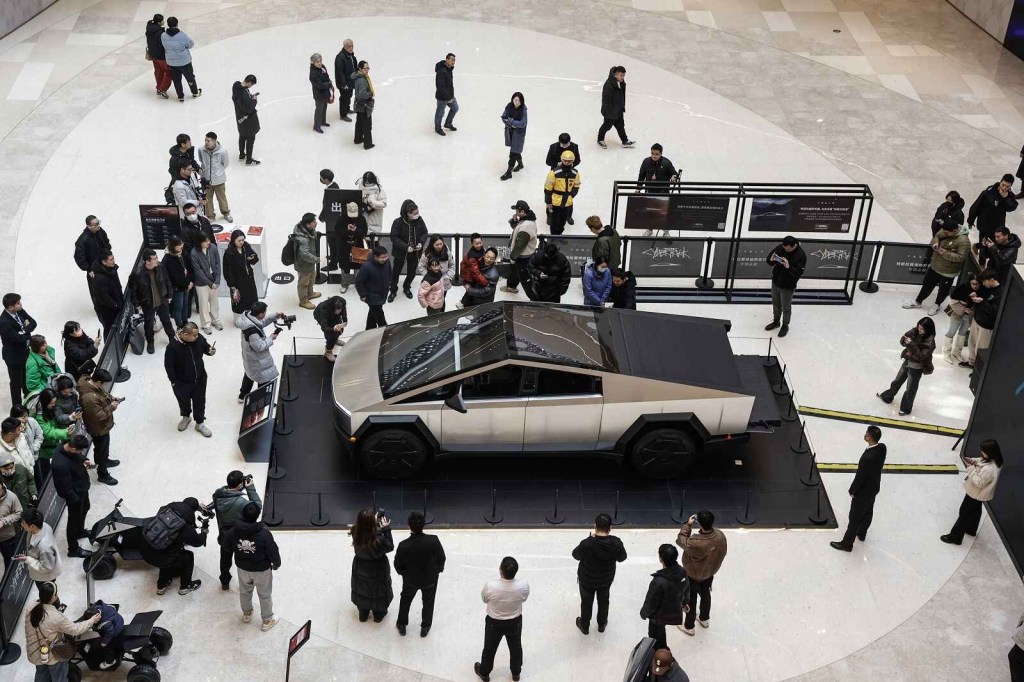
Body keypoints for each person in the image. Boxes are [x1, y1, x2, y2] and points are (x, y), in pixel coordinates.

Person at [24, 582, 101, 680]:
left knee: (42, 675)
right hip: (53, 655)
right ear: (53, 598)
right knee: (59, 677)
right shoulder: (56, 617)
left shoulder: (30, 606)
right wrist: (91, 621)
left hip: (36, 652)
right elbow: (75, 629)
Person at [224, 502, 280, 631]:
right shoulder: (264, 534)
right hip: (261, 570)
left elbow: (226, 547)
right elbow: (273, 551)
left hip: (242, 568)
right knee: (264, 595)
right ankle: (267, 620)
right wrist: (276, 564)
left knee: (244, 592)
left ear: (242, 514)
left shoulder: (233, 532)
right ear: (257, 515)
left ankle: (247, 614)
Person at [902, 210, 969, 315]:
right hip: (935, 265)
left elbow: (961, 257)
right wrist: (935, 243)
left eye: (947, 233)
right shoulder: (946, 229)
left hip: (948, 271)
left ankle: (937, 305)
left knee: (943, 289)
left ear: (955, 231)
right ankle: (918, 301)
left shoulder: (964, 241)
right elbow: (937, 236)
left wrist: (944, 253)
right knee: (927, 284)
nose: (944, 234)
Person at [830, 426, 886, 552]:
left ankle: (847, 544)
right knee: (868, 511)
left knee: (854, 517)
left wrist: (853, 490)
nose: (865, 434)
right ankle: (862, 533)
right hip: (874, 487)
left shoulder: (867, 458)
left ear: (869, 437)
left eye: (866, 433)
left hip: (863, 492)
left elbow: (860, 477)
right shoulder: (882, 448)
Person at [571, 512, 627, 635]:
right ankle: (602, 624)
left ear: (595, 526)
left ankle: (585, 626)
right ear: (610, 527)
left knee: (586, 602)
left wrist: (589, 539)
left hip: (587, 579)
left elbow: (575, 555)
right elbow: (622, 558)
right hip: (606, 580)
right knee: (604, 601)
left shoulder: (587, 543)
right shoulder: (616, 543)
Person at [474, 556, 529, 682]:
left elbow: (484, 599)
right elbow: (524, 598)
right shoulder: (523, 585)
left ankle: (484, 672)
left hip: (494, 623)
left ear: (500, 570)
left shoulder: (491, 586)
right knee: (515, 647)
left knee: (489, 648)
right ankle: (516, 673)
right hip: (515, 622)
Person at [675, 510, 727, 636]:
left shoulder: (696, 543)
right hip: (709, 573)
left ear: (699, 523)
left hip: (693, 575)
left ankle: (689, 626)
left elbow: (680, 540)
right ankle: (704, 619)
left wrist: (688, 525)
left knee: (691, 600)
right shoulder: (720, 535)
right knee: (705, 595)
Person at [394, 510, 446, 637]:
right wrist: (437, 571)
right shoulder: (433, 540)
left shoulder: (403, 545)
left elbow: (398, 565)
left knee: (405, 600)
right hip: (430, 579)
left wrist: (404, 574)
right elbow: (442, 558)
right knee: (428, 602)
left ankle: (402, 624)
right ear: (424, 524)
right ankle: (425, 627)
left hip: (410, 580)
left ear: (409, 525)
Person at [942, 440, 1003, 545]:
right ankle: (971, 529)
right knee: (975, 510)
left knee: (964, 513)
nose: (981, 453)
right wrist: (973, 461)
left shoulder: (989, 470)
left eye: (983, 451)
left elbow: (979, 483)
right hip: (980, 494)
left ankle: (955, 537)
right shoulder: (996, 461)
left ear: (990, 452)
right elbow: (983, 462)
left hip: (975, 492)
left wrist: (970, 468)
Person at [140, 497, 206, 595]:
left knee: (166, 549)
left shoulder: (164, 510)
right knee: (187, 556)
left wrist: (196, 507)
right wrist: (204, 532)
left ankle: (161, 586)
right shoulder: (184, 527)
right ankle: (185, 586)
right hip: (161, 558)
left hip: (145, 550)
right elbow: (198, 542)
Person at [212, 471, 262, 590]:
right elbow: (257, 507)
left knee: (225, 561)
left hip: (224, 536)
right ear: (240, 484)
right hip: (240, 537)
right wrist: (250, 488)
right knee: (244, 560)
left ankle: (224, 582)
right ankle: (246, 583)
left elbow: (229, 494)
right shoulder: (241, 503)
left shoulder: (217, 495)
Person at [164, 322, 215, 438]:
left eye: (197, 334)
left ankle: (200, 423)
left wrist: (210, 350)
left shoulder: (199, 338)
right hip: (182, 382)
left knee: (200, 401)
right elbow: (169, 366)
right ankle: (186, 417)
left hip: (200, 378)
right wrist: (174, 382)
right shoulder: (173, 347)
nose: (197, 336)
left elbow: (205, 347)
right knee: (183, 401)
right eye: (194, 335)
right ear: (185, 334)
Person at [876, 317, 935, 416]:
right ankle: (887, 397)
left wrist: (910, 344)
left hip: (916, 367)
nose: (919, 330)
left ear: (928, 330)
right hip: (908, 361)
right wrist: (905, 340)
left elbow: (921, 356)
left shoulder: (930, 342)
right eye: (919, 327)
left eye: (922, 329)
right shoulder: (915, 331)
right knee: (897, 380)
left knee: (910, 388)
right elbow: (902, 340)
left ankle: (906, 408)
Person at [50, 435, 93, 558]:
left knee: (86, 507)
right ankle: (73, 549)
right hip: (74, 495)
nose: (80, 453)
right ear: (73, 448)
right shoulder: (60, 464)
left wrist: (84, 459)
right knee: (73, 521)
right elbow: (64, 488)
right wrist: (75, 500)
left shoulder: (67, 446)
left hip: (82, 487)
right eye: (80, 451)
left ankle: (80, 532)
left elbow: (76, 456)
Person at [639, 544, 687, 651]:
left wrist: (644, 613)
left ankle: (660, 653)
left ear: (661, 559)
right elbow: (686, 588)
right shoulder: (682, 572)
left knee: (655, 635)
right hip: (674, 610)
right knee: (660, 631)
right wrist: (685, 602)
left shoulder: (658, 581)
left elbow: (651, 602)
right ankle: (663, 649)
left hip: (658, 616)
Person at [350, 508, 394, 622]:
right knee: (378, 590)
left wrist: (375, 526)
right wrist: (386, 529)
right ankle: (378, 616)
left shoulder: (355, 531)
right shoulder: (379, 539)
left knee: (362, 588)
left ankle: (363, 614)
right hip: (377, 567)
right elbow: (390, 546)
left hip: (361, 565)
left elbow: (366, 532)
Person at [78, 368, 119, 486]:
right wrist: (111, 407)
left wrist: (111, 398)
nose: (105, 386)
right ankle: (102, 474)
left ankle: (105, 461)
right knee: (101, 450)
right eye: (105, 384)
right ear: (99, 382)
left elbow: (103, 394)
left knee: (104, 448)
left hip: (103, 427)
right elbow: (97, 415)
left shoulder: (94, 386)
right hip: (98, 428)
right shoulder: (89, 398)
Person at [764, 236, 807, 337]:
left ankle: (785, 325)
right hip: (776, 281)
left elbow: (798, 273)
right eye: (784, 248)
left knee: (786, 307)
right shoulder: (781, 248)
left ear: (794, 246)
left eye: (788, 249)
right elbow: (769, 260)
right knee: (776, 303)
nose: (786, 250)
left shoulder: (801, 255)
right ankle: (776, 321)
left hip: (788, 285)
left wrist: (788, 267)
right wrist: (771, 260)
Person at [237, 302, 281, 401]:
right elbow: (260, 347)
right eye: (265, 312)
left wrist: (275, 316)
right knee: (263, 379)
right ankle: (262, 401)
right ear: (260, 314)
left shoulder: (248, 318)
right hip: (257, 360)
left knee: (249, 374)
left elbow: (260, 323)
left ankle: (242, 395)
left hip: (249, 357)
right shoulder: (252, 332)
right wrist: (271, 338)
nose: (265, 314)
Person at [388, 200, 429, 302]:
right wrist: (405, 247)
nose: (417, 215)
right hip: (400, 251)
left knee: (412, 272)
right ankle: (393, 290)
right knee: (396, 272)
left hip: (415, 252)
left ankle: (407, 287)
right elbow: (394, 237)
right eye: (414, 213)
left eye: (417, 212)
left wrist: (421, 243)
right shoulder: (397, 222)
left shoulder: (419, 220)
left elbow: (424, 233)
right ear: (407, 213)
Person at [0, 293, 37, 406]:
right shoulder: (3, 322)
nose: (21, 304)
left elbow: (33, 323)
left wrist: (23, 331)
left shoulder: (19, 311)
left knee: (26, 377)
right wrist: (26, 329)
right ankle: (17, 406)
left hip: (25, 351)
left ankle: (29, 399)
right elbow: (17, 339)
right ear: (10, 307)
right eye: (18, 303)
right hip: (13, 356)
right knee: (16, 382)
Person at [961, 269, 1002, 369]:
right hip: (976, 320)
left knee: (981, 348)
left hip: (986, 326)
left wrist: (982, 301)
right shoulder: (985, 287)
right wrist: (975, 296)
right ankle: (971, 362)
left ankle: (977, 369)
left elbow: (994, 311)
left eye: (984, 281)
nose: (982, 284)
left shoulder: (1000, 293)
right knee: (972, 343)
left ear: (991, 280)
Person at [14, 507, 62, 588]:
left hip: (45, 577)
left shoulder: (44, 547)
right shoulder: (43, 526)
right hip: (41, 570)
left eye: (23, 523)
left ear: (32, 526)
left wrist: (28, 559)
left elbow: (47, 567)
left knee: (47, 593)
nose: (22, 524)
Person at [29, 391, 69, 485]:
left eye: (55, 402)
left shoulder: (49, 409)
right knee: (44, 470)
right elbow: (47, 433)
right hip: (43, 448)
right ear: (44, 402)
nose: (53, 405)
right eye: (51, 403)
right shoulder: (39, 416)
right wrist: (65, 432)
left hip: (50, 445)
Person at [222, 229, 260, 323]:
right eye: (239, 241)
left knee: (252, 298)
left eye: (243, 240)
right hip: (237, 282)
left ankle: (252, 318)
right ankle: (239, 321)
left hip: (248, 278)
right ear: (233, 240)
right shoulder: (229, 253)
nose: (241, 242)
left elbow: (254, 258)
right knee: (239, 302)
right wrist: (232, 285)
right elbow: (227, 271)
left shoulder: (246, 246)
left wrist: (252, 258)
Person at [968, 174, 1018, 245]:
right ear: (1000, 182)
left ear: (1010, 186)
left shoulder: (1009, 195)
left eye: (1007, 186)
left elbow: (1012, 207)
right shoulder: (988, 192)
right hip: (984, 224)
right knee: (983, 243)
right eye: (1003, 185)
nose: (1004, 188)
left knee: (995, 244)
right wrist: (970, 220)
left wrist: (1006, 198)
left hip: (998, 225)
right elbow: (976, 206)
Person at [501, 201, 538, 294]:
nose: (516, 213)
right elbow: (517, 229)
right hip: (522, 255)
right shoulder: (526, 219)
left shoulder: (526, 226)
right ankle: (511, 286)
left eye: (517, 211)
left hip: (522, 256)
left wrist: (513, 257)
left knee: (522, 276)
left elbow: (520, 245)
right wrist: (514, 221)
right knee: (516, 272)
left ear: (522, 212)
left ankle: (532, 295)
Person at [160, 17, 201, 102]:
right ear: (177, 24)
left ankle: (180, 96)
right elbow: (191, 44)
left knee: (176, 80)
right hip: (184, 62)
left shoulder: (163, 35)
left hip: (172, 62)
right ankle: (195, 92)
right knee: (190, 77)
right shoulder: (182, 35)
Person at [189, 233, 223, 335]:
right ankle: (206, 324)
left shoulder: (213, 248)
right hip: (202, 283)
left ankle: (216, 320)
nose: (208, 242)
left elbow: (218, 264)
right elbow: (198, 272)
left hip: (214, 280)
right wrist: (210, 283)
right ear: (199, 242)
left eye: (208, 240)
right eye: (205, 241)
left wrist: (217, 280)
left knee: (214, 302)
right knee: (203, 304)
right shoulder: (194, 253)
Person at [544, 150, 582, 235]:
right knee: (554, 222)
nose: (567, 162)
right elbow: (547, 188)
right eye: (565, 160)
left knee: (562, 221)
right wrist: (548, 202)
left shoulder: (575, 173)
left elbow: (576, 185)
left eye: (569, 161)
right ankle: (553, 237)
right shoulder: (554, 173)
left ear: (572, 161)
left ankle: (559, 236)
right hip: (555, 202)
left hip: (567, 202)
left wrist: (572, 195)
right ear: (561, 160)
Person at [942, 274, 978, 364]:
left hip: (969, 316)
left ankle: (957, 352)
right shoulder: (962, 288)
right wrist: (964, 308)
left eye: (977, 284)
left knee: (962, 333)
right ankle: (946, 353)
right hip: (957, 314)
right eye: (973, 283)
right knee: (951, 332)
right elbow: (953, 301)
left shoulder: (980, 291)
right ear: (969, 282)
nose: (975, 286)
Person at [197, 132, 232, 222]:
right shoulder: (201, 149)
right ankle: (210, 216)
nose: (206, 142)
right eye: (205, 140)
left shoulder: (222, 151)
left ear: (214, 141)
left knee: (221, 198)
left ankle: (226, 213)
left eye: (208, 141)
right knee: (207, 198)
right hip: (206, 179)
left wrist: (217, 172)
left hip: (219, 179)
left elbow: (225, 163)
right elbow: (201, 160)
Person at [597, 66, 635, 149]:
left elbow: (622, 96)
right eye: (621, 75)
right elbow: (606, 101)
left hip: (619, 110)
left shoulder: (621, 83)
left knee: (620, 126)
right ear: (615, 74)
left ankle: (625, 141)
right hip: (610, 112)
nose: (622, 77)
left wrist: (622, 107)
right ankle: (600, 139)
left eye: (623, 75)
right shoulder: (608, 85)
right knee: (606, 126)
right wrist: (610, 113)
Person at [356, 247, 392, 330]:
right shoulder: (366, 266)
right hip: (372, 296)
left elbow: (389, 272)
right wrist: (363, 294)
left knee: (373, 313)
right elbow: (359, 282)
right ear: (375, 256)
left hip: (383, 293)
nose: (385, 259)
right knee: (380, 317)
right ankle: (385, 331)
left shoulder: (386, 262)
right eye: (382, 257)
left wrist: (389, 282)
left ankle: (369, 329)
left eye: (386, 257)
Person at [90, 251, 123, 339]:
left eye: (113, 258)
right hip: (106, 310)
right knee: (109, 329)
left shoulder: (112, 268)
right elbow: (104, 297)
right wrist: (115, 305)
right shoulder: (99, 278)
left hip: (116, 303)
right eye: (111, 259)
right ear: (104, 262)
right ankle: (108, 345)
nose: (114, 261)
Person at [293, 212, 322, 310]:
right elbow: (304, 254)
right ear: (308, 224)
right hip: (303, 264)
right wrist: (315, 259)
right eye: (314, 222)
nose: (316, 223)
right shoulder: (302, 238)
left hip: (310, 262)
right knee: (304, 283)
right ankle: (303, 300)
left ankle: (310, 293)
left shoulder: (310, 230)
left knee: (312, 278)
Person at [74, 215, 112, 288]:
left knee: (113, 288)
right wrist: (88, 269)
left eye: (98, 223)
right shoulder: (82, 240)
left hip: (107, 266)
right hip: (95, 271)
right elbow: (79, 257)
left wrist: (108, 255)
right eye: (95, 224)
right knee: (99, 291)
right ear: (88, 226)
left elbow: (106, 242)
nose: (98, 226)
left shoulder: (100, 231)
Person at [163, 237, 193, 329]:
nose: (181, 246)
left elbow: (190, 268)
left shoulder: (183, 253)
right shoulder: (167, 259)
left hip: (186, 285)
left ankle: (185, 323)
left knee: (185, 305)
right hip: (176, 288)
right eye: (179, 244)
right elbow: (170, 277)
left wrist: (190, 281)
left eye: (182, 243)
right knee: (178, 307)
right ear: (173, 246)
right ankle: (180, 326)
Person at [338, 202, 369, 293]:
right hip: (344, 247)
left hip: (357, 245)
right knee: (344, 267)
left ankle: (359, 283)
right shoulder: (341, 218)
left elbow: (364, 233)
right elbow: (337, 231)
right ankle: (344, 284)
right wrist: (346, 229)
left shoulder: (361, 219)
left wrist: (356, 230)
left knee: (358, 266)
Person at [232, 74, 260, 166]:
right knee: (250, 138)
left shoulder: (236, 85)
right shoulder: (243, 93)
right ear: (249, 82)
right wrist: (254, 100)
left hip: (240, 118)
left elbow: (241, 102)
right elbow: (249, 109)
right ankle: (249, 159)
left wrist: (249, 97)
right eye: (252, 84)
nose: (251, 87)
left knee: (242, 135)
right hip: (248, 120)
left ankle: (241, 154)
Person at [500, 92, 528, 181]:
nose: (517, 102)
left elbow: (523, 123)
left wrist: (511, 122)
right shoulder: (509, 106)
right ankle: (520, 164)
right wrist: (513, 123)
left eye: (519, 101)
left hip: (518, 135)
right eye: (516, 100)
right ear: (512, 100)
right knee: (516, 150)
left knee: (512, 154)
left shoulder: (523, 109)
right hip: (510, 132)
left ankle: (509, 173)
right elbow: (503, 117)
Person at [318, 169, 342, 271]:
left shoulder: (332, 190)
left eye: (321, 178)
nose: (320, 179)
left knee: (332, 242)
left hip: (332, 222)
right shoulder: (333, 186)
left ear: (326, 180)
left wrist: (321, 217)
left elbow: (328, 206)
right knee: (333, 242)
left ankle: (333, 264)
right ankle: (334, 257)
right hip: (333, 220)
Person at [313, 296, 347, 362]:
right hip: (320, 315)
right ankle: (328, 351)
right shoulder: (324, 309)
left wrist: (344, 322)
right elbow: (324, 327)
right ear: (333, 308)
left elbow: (344, 315)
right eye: (337, 310)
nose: (338, 312)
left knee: (339, 330)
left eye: (339, 310)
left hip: (332, 313)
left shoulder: (342, 304)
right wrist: (333, 329)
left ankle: (335, 340)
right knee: (330, 334)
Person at [145, 14, 171, 98]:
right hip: (160, 55)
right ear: (159, 22)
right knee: (169, 72)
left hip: (153, 54)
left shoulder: (149, 28)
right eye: (162, 20)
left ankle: (159, 88)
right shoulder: (160, 33)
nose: (164, 21)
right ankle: (163, 89)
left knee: (158, 71)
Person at [352, 60, 375, 150]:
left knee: (359, 123)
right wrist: (370, 94)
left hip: (359, 104)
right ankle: (368, 144)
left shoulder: (359, 76)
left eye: (368, 68)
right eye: (365, 68)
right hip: (364, 105)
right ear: (360, 69)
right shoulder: (362, 80)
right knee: (367, 125)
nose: (367, 70)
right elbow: (362, 94)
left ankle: (358, 139)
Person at [0, 474, 22, 567]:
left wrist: (4, 521)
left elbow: (18, 513)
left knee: (9, 562)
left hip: (7, 537)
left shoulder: (11, 497)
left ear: (2, 485)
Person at [434, 53, 458, 135]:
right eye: (452, 60)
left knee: (455, 108)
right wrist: (448, 97)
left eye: (454, 60)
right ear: (447, 59)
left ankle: (448, 123)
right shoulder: (442, 71)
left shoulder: (449, 69)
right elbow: (441, 87)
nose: (453, 62)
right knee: (440, 113)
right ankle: (438, 128)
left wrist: (451, 95)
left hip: (450, 96)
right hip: (442, 98)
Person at [334, 39, 358, 122]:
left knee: (349, 96)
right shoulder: (340, 57)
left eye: (352, 46)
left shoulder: (351, 55)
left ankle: (347, 109)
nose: (351, 48)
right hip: (344, 83)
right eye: (349, 46)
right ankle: (343, 115)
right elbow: (339, 72)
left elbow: (354, 67)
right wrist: (343, 84)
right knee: (344, 98)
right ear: (344, 46)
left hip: (351, 81)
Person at [309, 53, 333, 134]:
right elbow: (319, 85)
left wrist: (329, 82)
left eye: (320, 61)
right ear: (313, 62)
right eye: (317, 62)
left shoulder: (323, 67)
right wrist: (328, 84)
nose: (320, 63)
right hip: (319, 94)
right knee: (319, 110)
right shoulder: (313, 73)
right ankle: (316, 126)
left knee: (324, 107)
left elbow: (326, 76)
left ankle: (323, 121)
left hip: (325, 92)